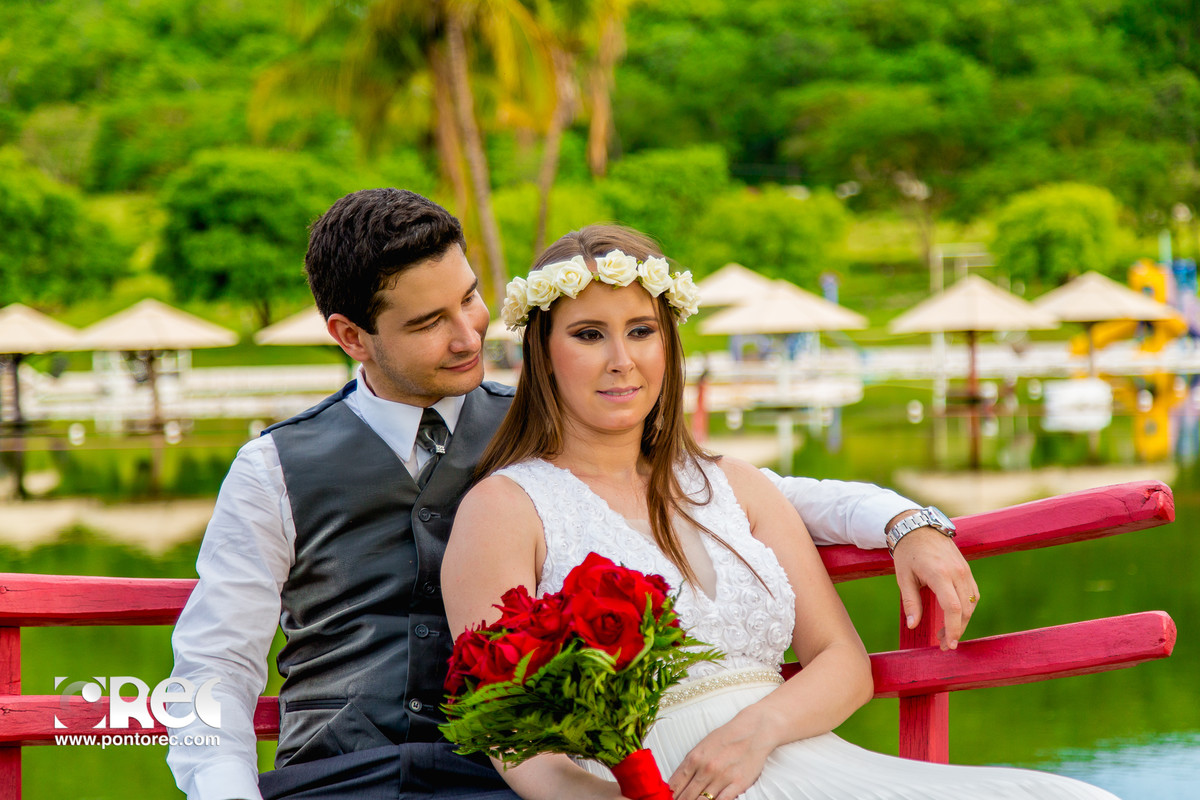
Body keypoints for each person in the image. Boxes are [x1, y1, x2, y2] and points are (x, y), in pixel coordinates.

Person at [168, 189, 972, 800]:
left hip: (511, 783)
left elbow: (731, 494)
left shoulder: (543, 422)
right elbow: (213, 666)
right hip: (344, 778)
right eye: (428, 324)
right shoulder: (273, 467)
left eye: (472, 298)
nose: (468, 334)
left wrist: (904, 518)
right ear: (352, 336)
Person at [440, 225, 1118, 800]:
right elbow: (513, 740)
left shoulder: (732, 485)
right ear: (543, 350)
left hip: (794, 754)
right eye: (589, 334)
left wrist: (755, 731)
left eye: (642, 330)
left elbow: (842, 662)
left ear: (668, 344)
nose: (622, 360)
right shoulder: (505, 509)